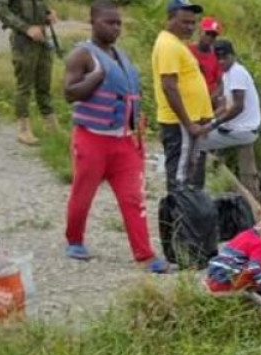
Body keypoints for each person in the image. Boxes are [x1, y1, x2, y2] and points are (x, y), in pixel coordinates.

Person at [61, 1, 168, 273]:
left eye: (119, 23)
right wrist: (95, 78)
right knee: (82, 193)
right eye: (109, 22)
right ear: (93, 22)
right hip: (91, 139)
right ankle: (74, 240)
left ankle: (144, 255)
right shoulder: (82, 55)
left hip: (124, 141)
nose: (116, 28)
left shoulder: (121, 54)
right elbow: (69, 93)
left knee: (134, 198)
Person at [153, 0, 213, 192]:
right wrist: (188, 124)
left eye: (192, 23)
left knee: (189, 176)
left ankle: (186, 217)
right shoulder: (168, 45)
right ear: (170, 19)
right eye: (184, 22)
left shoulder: (177, 44)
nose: (190, 27)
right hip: (180, 123)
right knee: (180, 180)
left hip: (190, 122)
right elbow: (168, 86)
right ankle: (177, 219)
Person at [0, 0, 58, 145]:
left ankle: (50, 125)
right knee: (24, 86)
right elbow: (0, 10)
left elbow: (39, 9)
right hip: (23, 42)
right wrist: (26, 28)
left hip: (41, 40)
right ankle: (23, 129)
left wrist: (48, 15)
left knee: (44, 84)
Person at [197, 40, 260, 188]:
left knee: (197, 143)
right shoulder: (227, 74)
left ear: (233, 56)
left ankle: (197, 186)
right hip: (234, 128)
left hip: (243, 131)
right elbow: (225, 106)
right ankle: (208, 178)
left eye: (225, 57)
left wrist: (213, 124)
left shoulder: (237, 72)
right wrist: (208, 119)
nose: (221, 61)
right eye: (218, 58)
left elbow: (238, 106)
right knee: (200, 133)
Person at [205, 220, 261, 300]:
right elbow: (254, 268)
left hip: (214, 276)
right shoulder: (260, 245)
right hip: (225, 283)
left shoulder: (246, 234)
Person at [188, 16, 222, 101]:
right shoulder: (187, 51)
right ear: (200, 32)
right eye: (207, 33)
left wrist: (210, 100)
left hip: (208, 99)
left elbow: (221, 84)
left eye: (213, 35)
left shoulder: (217, 56)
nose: (210, 38)